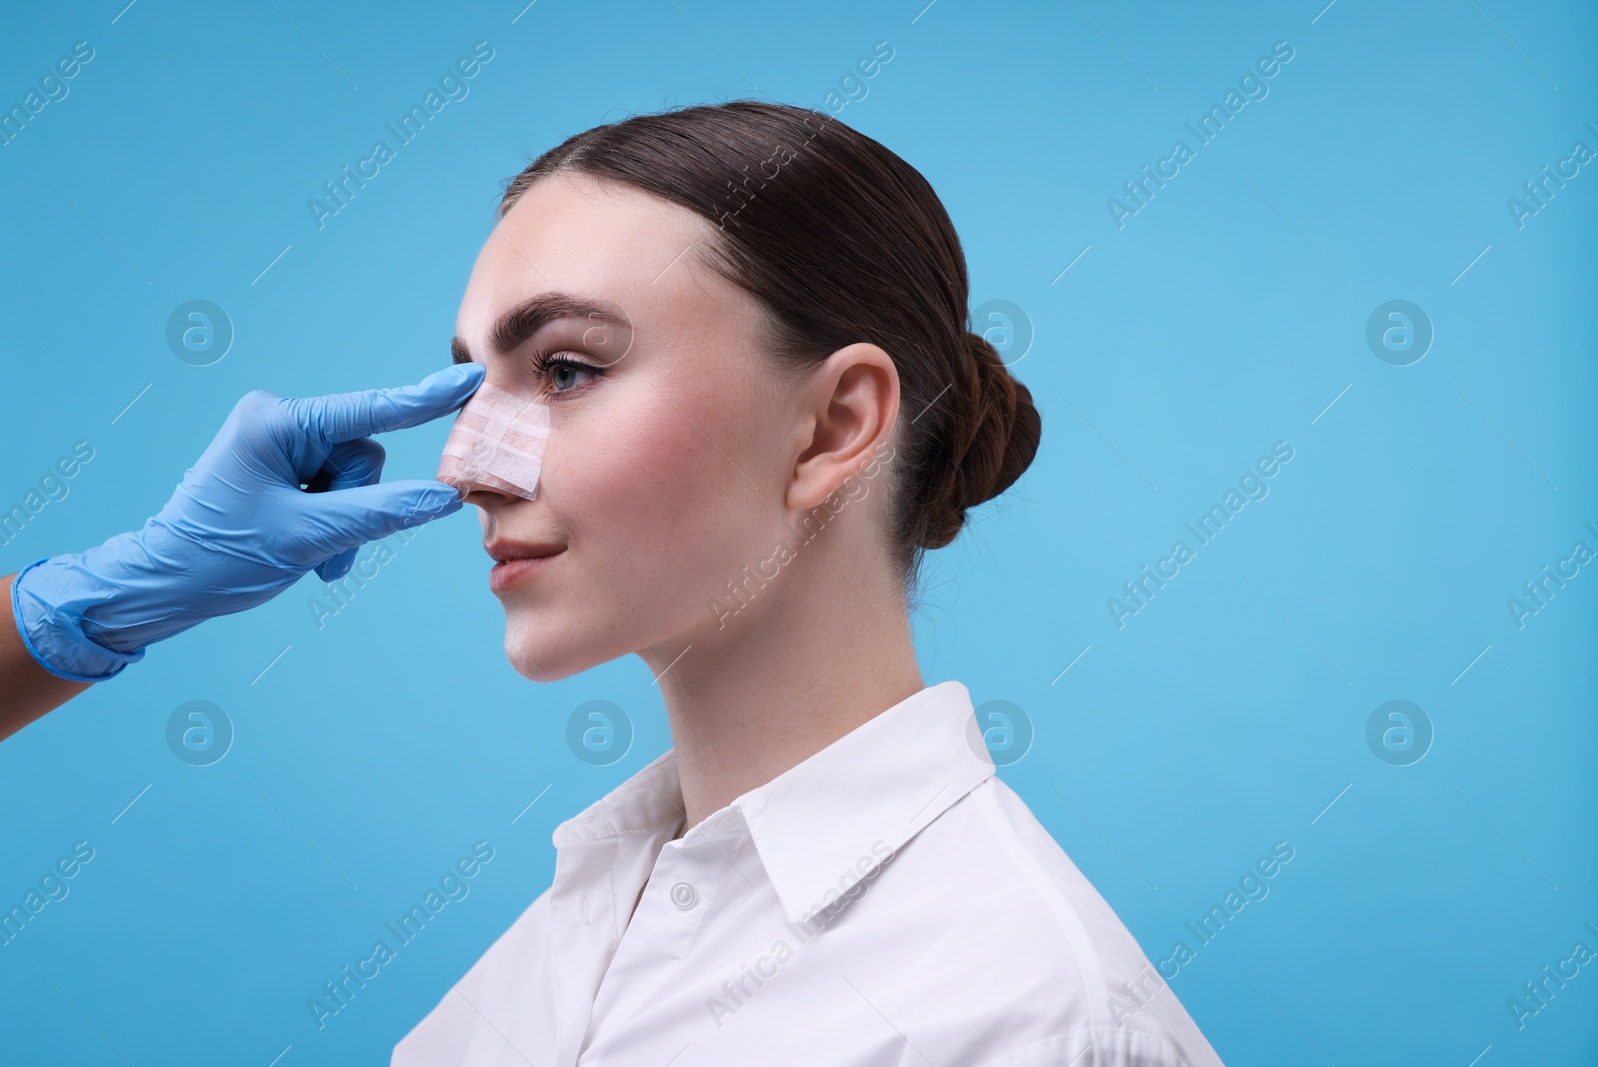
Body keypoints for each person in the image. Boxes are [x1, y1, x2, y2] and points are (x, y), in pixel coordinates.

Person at [3, 101, 1225, 1066]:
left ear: (833, 426)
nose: (466, 466)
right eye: (472, 384)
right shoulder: (575, 933)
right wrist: (92, 604)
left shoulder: (1029, 1020)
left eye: (569, 368)